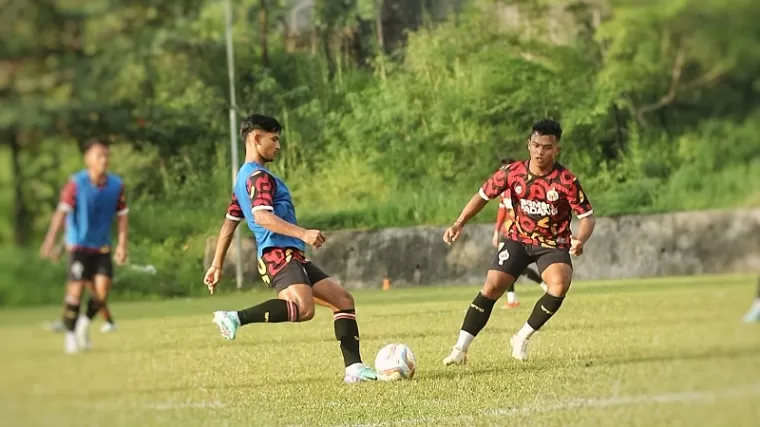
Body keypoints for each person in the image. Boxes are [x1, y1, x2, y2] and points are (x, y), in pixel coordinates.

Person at [203, 114, 388, 383]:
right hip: (277, 254)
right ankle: (234, 317)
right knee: (303, 309)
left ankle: (354, 368)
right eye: (274, 139)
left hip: (291, 254)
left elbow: (229, 224)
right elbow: (262, 217)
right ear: (256, 139)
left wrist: (217, 264)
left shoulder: (245, 179)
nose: (278, 146)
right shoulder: (257, 177)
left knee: (343, 301)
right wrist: (304, 233)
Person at [442, 119, 595, 364]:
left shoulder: (566, 181)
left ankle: (521, 337)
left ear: (557, 149)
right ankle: (460, 350)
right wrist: (459, 222)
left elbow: (587, 217)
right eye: (536, 145)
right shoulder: (512, 173)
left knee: (559, 285)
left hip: (552, 244)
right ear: (528, 145)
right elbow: (482, 196)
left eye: (546, 147)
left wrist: (580, 238)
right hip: (518, 239)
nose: (540, 152)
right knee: (492, 286)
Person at [39, 139, 128, 353]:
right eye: (99, 155)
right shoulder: (76, 183)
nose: (104, 160)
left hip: (102, 247)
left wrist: (122, 245)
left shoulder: (116, 185)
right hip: (78, 247)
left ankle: (83, 325)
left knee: (102, 292)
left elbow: (123, 216)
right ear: (88, 159)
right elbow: (62, 212)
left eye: (106, 155)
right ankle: (70, 337)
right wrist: (51, 240)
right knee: (75, 291)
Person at [492, 157, 548, 309]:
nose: (504, 173)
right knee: (503, 264)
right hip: (507, 230)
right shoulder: (503, 192)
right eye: (502, 170)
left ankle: (544, 285)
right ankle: (512, 299)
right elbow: (502, 210)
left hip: (522, 231)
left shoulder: (522, 187)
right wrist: (496, 231)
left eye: (507, 169)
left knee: (518, 266)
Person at [45, 228, 118, 333]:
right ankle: (108, 321)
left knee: (95, 293)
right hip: (83, 254)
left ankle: (106, 322)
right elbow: (71, 233)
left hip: (93, 254)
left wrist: (59, 249)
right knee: (89, 292)